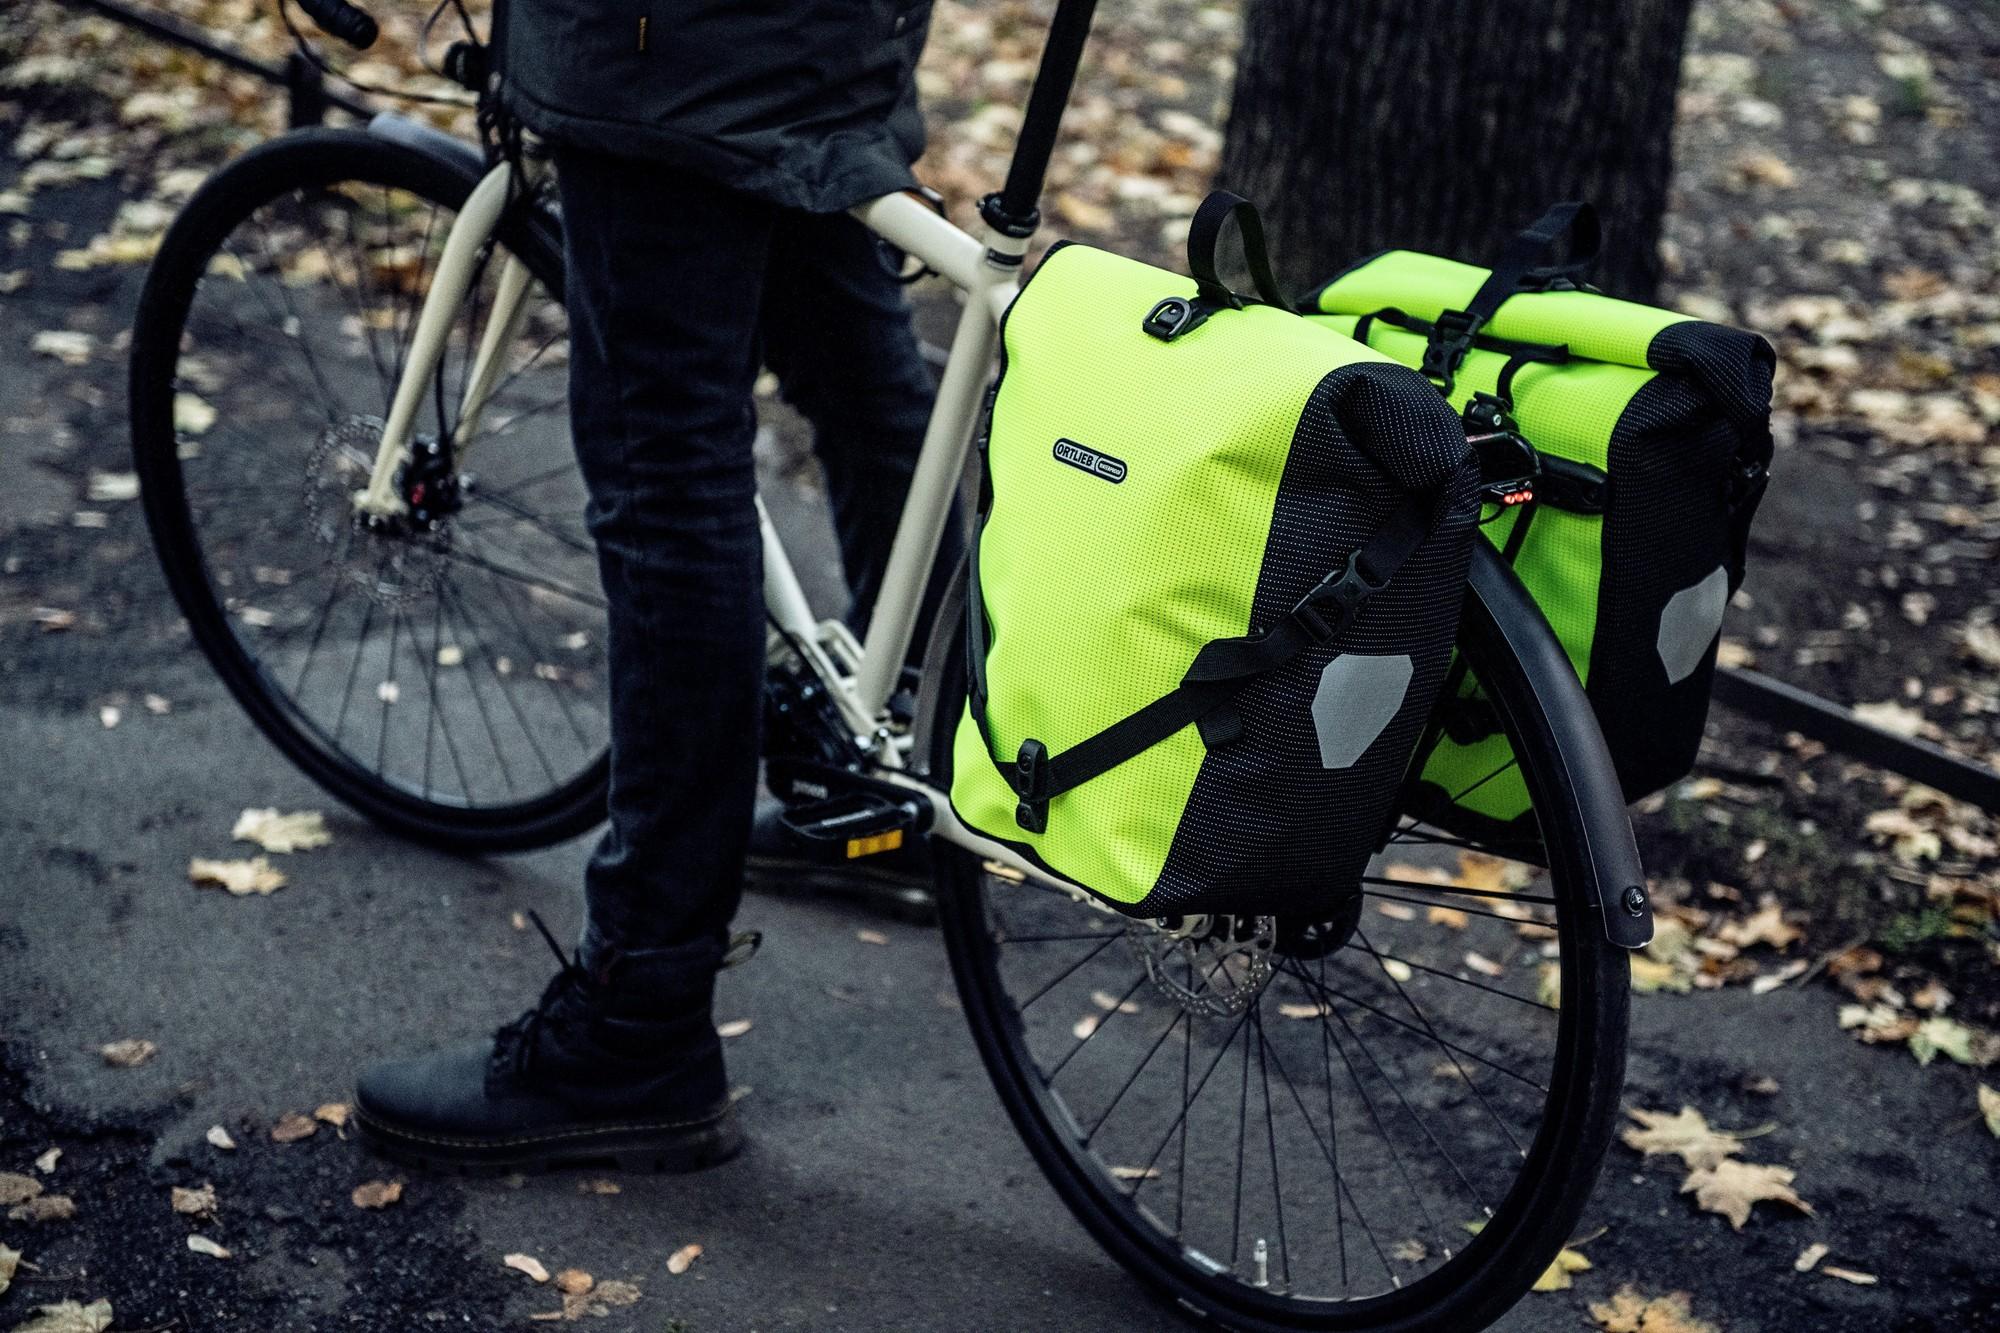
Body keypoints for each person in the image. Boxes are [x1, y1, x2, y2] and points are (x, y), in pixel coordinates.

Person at [353, 0, 950, 1171]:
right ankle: (909, 779)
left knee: (665, 476)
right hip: (823, 39)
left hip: (661, 58)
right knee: (854, 366)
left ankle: (640, 1014)